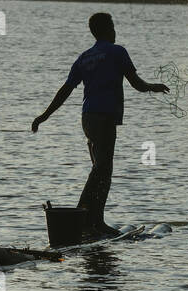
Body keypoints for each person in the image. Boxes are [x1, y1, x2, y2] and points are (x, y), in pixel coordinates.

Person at [32, 12, 168, 233]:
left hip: (88, 118)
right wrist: (154, 87)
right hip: (104, 118)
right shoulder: (117, 52)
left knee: (99, 169)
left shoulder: (85, 57)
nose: (115, 31)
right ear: (107, 30)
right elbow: (137, 84)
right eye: (113, 26)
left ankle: (89, 219)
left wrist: (44, 116)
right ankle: (87, 219)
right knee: (103, 169)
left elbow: (65, 90)